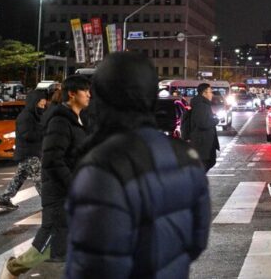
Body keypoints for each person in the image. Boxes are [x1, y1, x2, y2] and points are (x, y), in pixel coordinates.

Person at [65, 52, 210, 278]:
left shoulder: (102, 165)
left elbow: (93, 265)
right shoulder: (186, 156)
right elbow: (197, 241)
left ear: (103, 97)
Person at [2, 75, 90, 278]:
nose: (89, 95)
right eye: (85, 90)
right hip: (60, 193)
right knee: (49, 241)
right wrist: (74, 185)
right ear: (72, 94)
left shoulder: (77, 120)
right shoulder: (60, 121)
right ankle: (13, 268)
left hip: (71, 192)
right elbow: (53, 160)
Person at [0, 89, 48, 209]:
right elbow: (28, 135)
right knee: (39, 177)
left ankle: (4, 199)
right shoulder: (26, 116)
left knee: (19, 177)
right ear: (34, 101)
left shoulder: (35, 114)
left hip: (31, 151)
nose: (44, 103)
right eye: (41, 101)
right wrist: (45, 132)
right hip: (29, 152)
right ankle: (49, 203)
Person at [186, 83, 220, 172]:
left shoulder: (203, 104)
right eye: (210, 92)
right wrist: (215, 120)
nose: (212, 94)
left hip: (205, 141)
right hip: (203, 142)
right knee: (205, 163)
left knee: (208, 162)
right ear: (204, 93)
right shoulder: (201, 105)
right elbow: (202, 123)